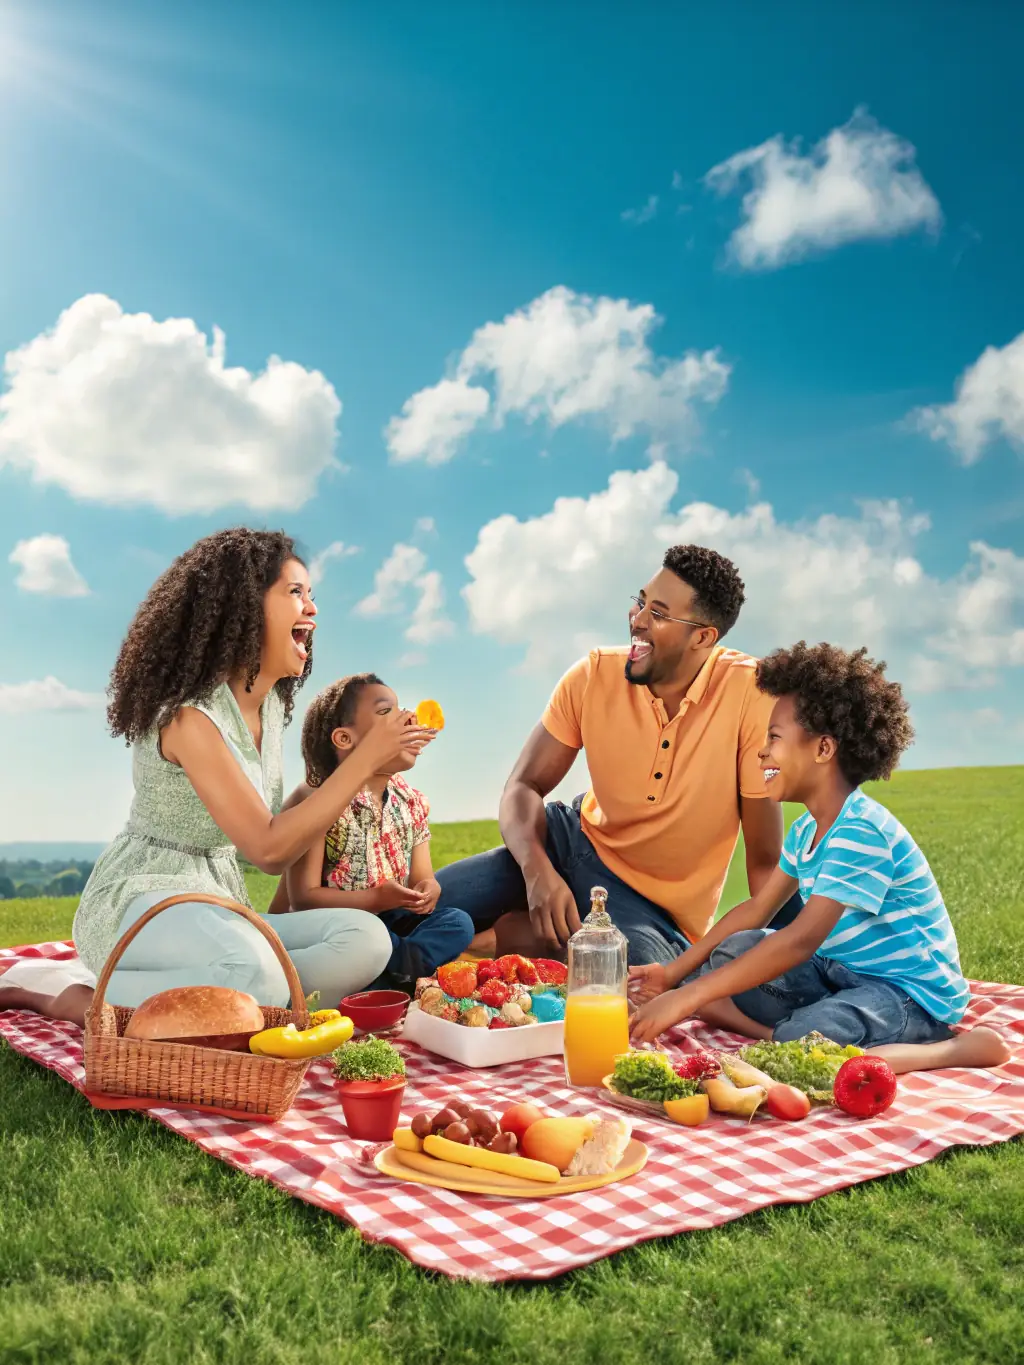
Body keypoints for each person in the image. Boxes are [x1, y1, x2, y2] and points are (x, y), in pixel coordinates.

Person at [0, 529, 431, 1026]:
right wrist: (364, 759)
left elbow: (283, 836)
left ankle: (253, 1004)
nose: (312, 609)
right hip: (142, 899)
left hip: (220, 903)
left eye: (312, 595)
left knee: (367, 939)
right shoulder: (188, 718)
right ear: (245, 608)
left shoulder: (270, 710)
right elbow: (267, 852)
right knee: (253, 972)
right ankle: (73, 993)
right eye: (295, 593)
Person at [628, 642, 1010, 1071]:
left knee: (803, 1033)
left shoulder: (861, 831)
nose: (761, 751)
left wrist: (691, 996)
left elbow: (800, 938)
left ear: (823, 749)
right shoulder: (806, 829)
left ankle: (953, 1049)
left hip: (908, 995)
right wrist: (673, 975)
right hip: (838, 972)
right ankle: (803, 1029)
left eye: (774, 737)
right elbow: (758, 909)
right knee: (734, 952)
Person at [437, 544, 801, 965]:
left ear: (703, 636)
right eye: (640, 602)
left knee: (627, 971)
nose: (638, 620)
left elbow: (763, 860)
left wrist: (779, 962)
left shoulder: (750, 695)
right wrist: (538, 874)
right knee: (426, 910)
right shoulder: (592, 675)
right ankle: (503, 936)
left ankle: (495, 941)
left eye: (659, 614)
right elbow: (523, 785)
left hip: (652, 910)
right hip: (571, 844)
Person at [271, 673, 474, 988]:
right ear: (344, 739)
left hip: (389, 923)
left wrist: (427, 890)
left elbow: (424, 876)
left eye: (401, 709)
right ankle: (402, 971)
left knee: (458, 922)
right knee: (368, 938)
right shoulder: (318, 799)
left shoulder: (411, 801)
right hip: (336, 925)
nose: (407, 719)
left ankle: (393, 970)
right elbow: (303, 898)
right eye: (386, 712)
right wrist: (376, 899)